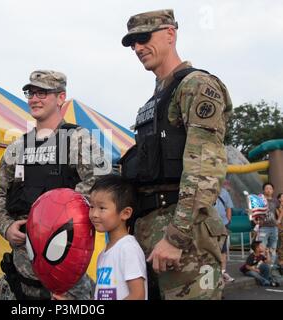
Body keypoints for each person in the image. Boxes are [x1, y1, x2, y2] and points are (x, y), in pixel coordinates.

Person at [120, 9, 232, 300]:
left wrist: (175, 237)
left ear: (170, 34)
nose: (137, 48)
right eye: (132, 43)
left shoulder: (196, 85)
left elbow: (204, 169)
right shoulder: (154, 100)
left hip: (185, 241)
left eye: (144, 38)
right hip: (151, 237)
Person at [0, 70, 109, 300]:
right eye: (31, 93)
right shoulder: (17, 148)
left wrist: (62, 210)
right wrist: (6, 227)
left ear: (61, 97)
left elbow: (103, 189)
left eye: (42, 92)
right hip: (23, 278)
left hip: (66, 275)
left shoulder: (79, 139)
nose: (34, 99)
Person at [89, 174, 147, 300]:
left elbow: (138, 295)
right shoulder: (103, 254)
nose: (94, 214)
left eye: (102, 208)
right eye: (91, 207)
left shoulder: (128, 248)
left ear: (125, 213)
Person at [214, 180, 235, 282]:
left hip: (223, 224)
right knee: (210, 249)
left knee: (223, 250)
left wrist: (228, 222)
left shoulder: (224, 192)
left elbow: (229, 207)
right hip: (208, 225)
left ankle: (223, 271)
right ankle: (212, 272)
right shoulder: (204, 191)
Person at [256, 182, 279, 266]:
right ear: (263, 190)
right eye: (266, 188)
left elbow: (280, 211)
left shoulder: (276, 201)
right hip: (263, 227)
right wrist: (255, 221)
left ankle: (271, 265)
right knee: (261, 247)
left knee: (273, 248)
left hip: (274, 227)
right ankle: (261, 265)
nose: (268, 190)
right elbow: (252, 211)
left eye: (270, 188)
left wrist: (278, 221)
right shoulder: (259, 200)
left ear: (273, 190)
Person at [275, 193, 283, 273]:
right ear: (279, 199)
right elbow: (278, 217)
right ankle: (281, 264)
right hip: (281, 229)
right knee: (281, 247)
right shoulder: (277, 208)